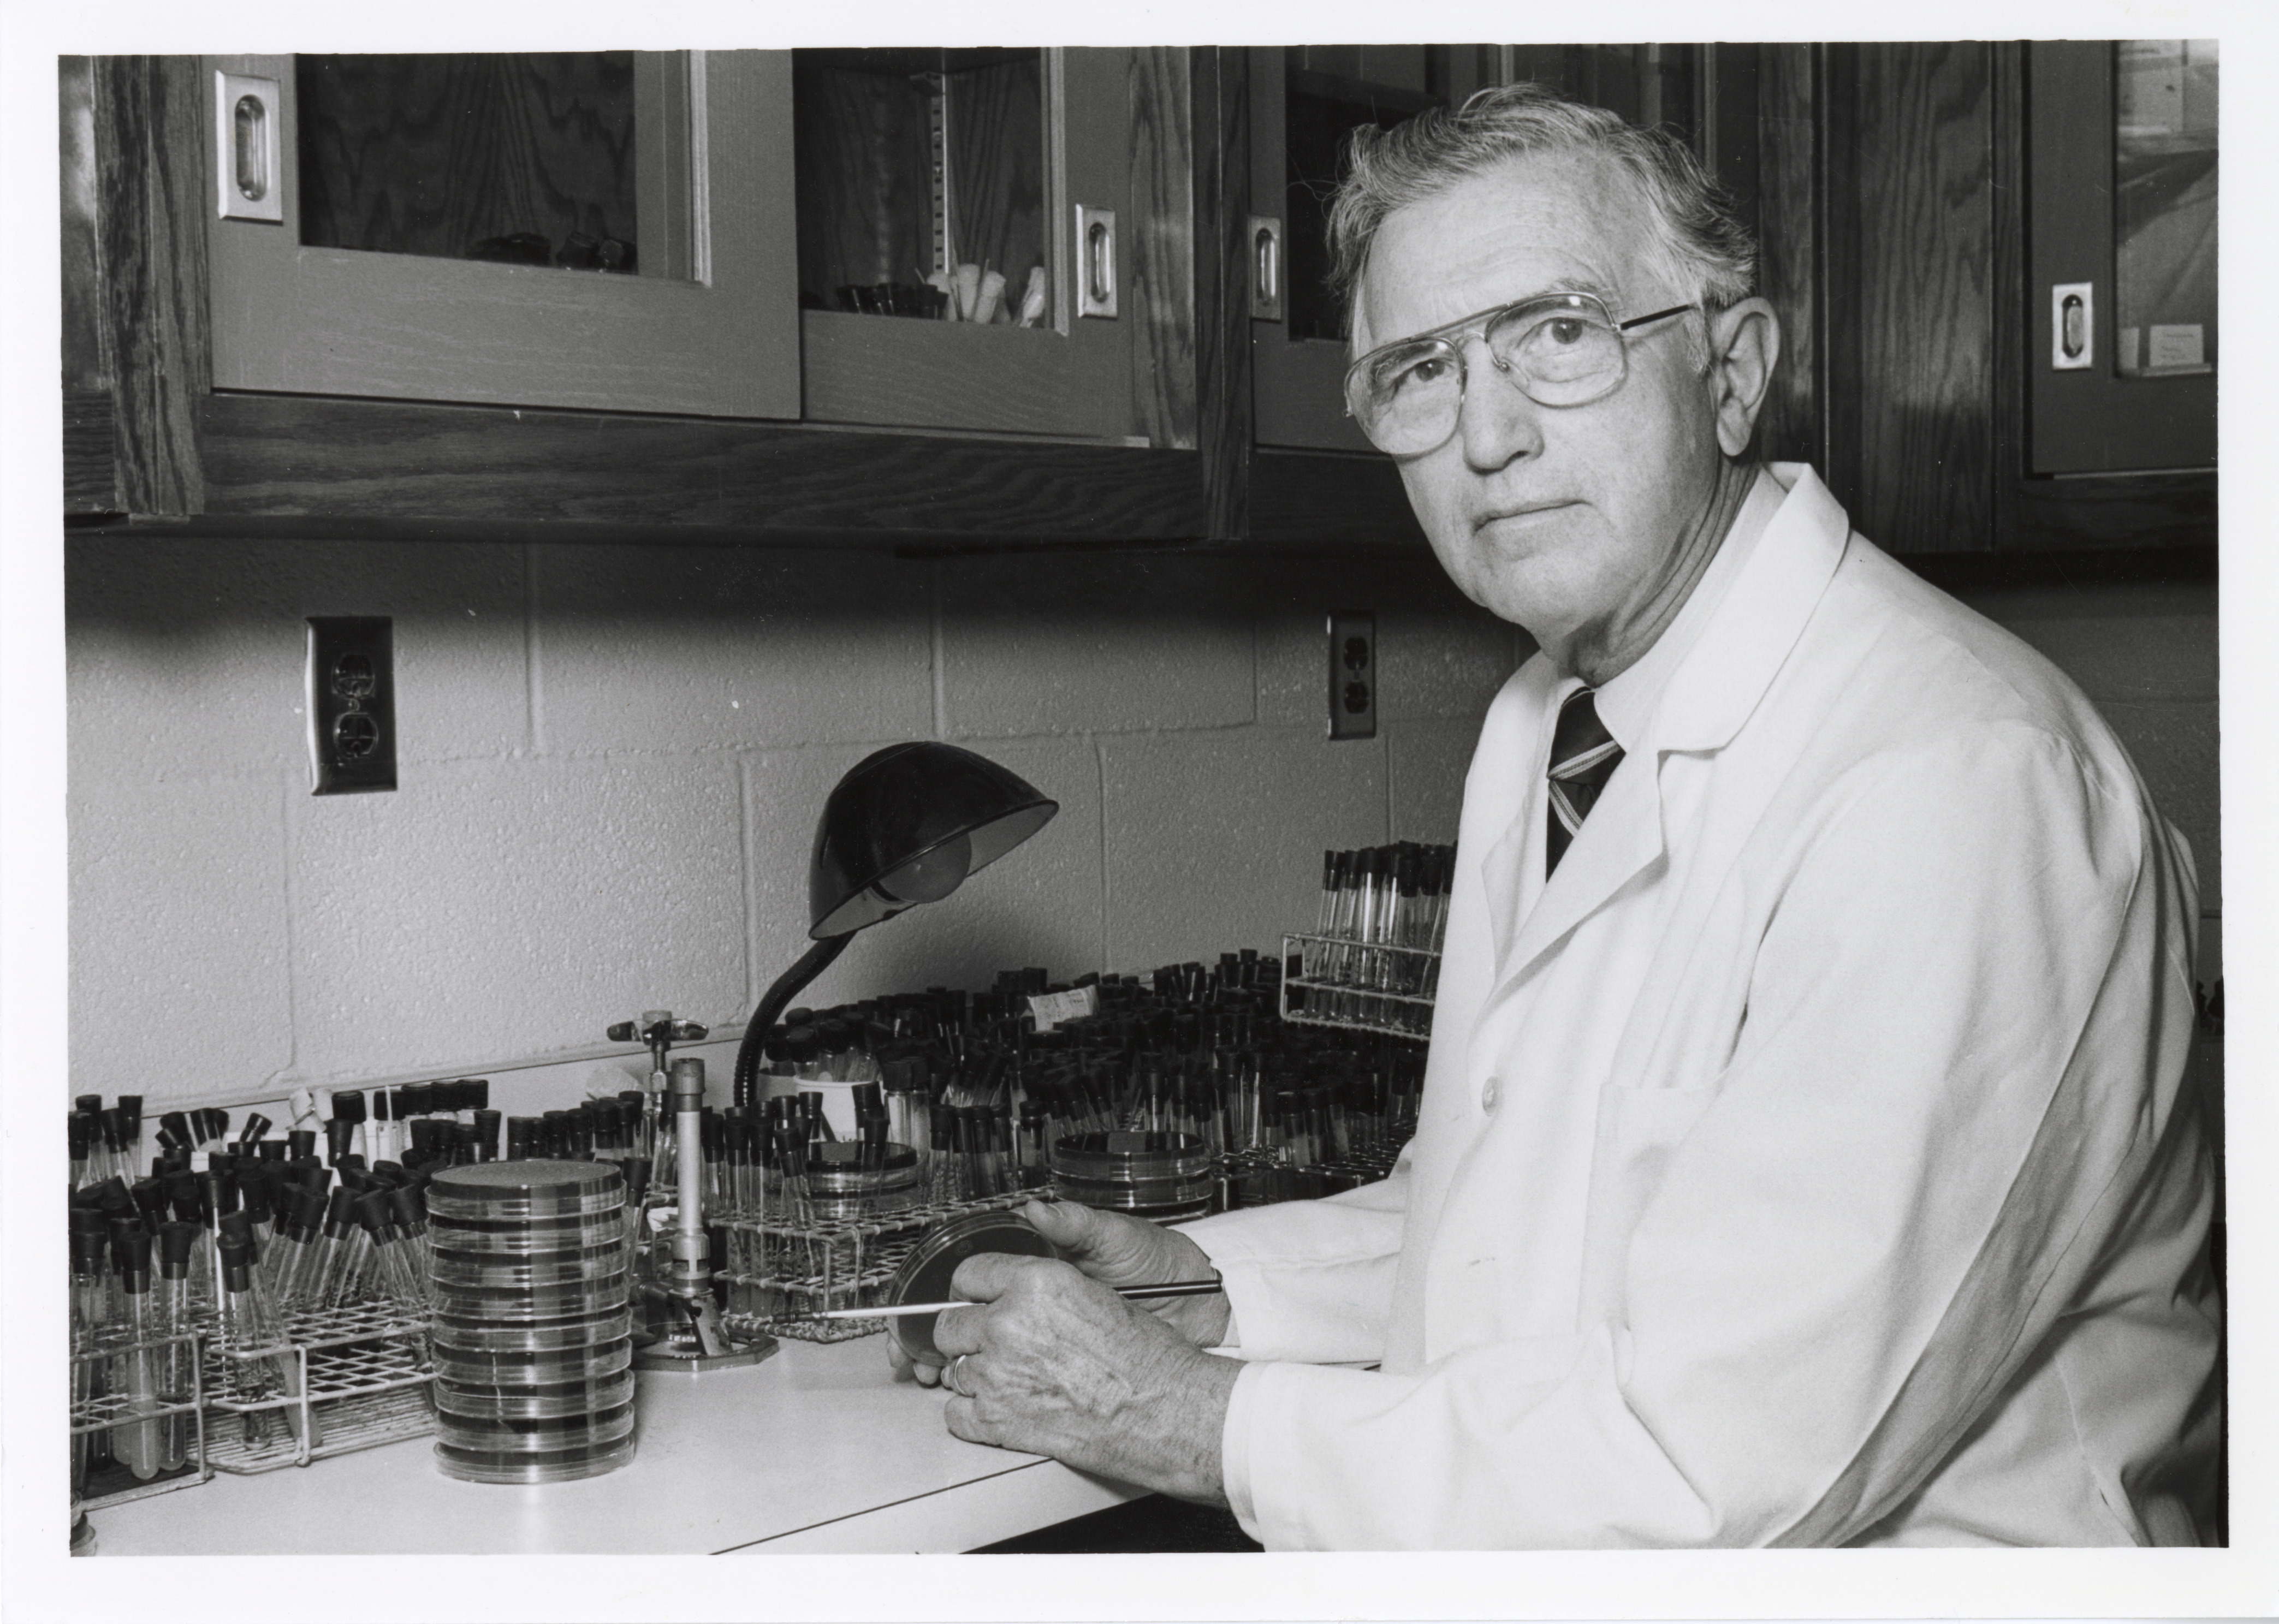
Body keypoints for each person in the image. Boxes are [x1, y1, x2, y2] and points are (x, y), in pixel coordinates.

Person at [899, 84, 2222, 1549]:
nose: (1488, 435)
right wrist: (1214, 1288)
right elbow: (1532, 1214)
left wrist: (1183, 1415)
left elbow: (1712, 1473)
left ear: (1732, 374)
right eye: (1421, 370)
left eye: (1558, 335)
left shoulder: (1956, 781)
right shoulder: (1551, 716)